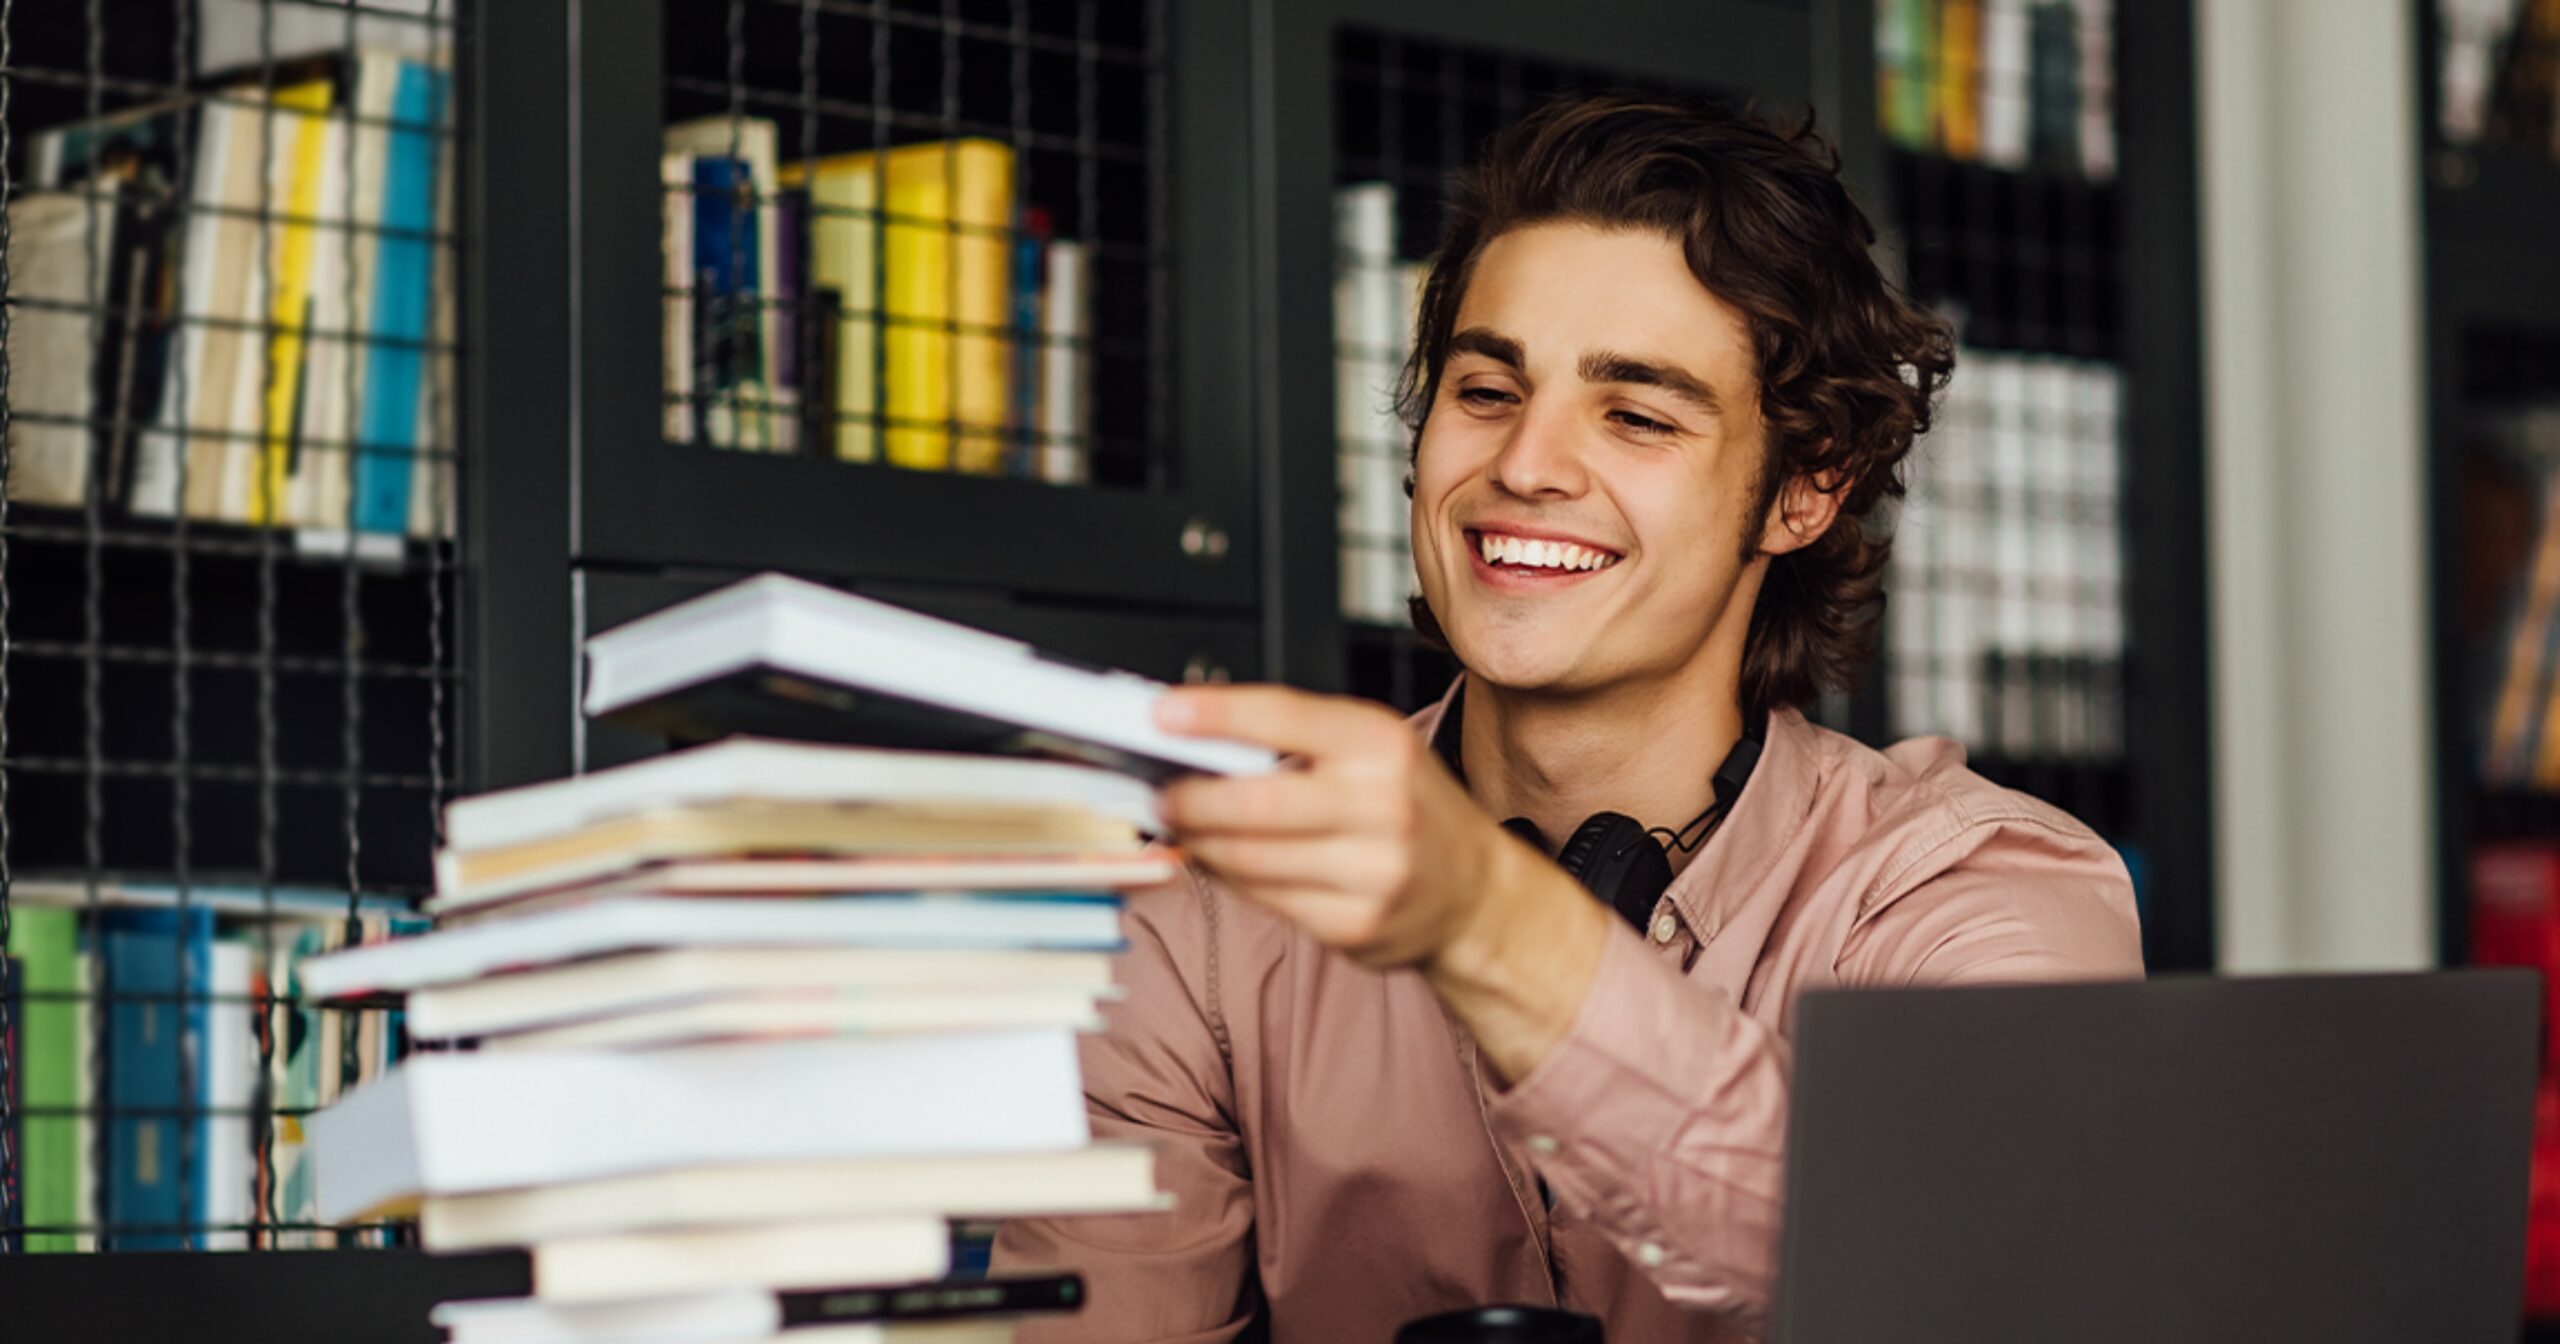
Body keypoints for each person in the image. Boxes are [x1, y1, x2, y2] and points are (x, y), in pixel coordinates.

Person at [995, 93, 2143, 1343]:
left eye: (1637, 414)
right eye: (1486, 389)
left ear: (1805, 491)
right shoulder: (1203, 921)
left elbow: (1978, 1281)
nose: (1527, 466)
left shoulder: (1978, 893)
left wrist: (1491, 926)